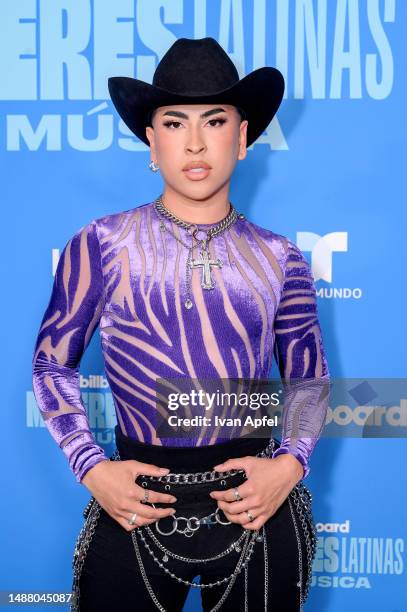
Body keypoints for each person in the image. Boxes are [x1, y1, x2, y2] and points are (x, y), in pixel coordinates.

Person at [32, 37, 330, 611]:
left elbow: (309, 380)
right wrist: (92, 468)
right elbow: (51, 365)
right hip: (134, 500)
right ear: (151, 140)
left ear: (242, 138)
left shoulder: (281, 258)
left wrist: (289, 464)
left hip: (256, 506)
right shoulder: (101, 244)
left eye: (215, 121)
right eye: (174, 122)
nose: (195, 142)